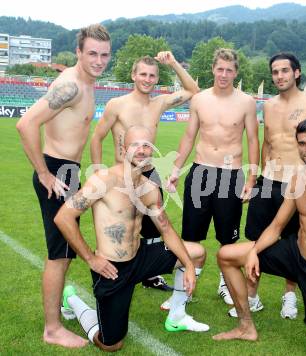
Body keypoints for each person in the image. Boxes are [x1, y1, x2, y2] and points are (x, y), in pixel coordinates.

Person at [54, 126, 209, 352]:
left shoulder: (149, 188)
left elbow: (165, 228)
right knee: (111, 344)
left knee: (196, 253)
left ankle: (176, 315)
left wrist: (187, 264)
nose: (142, 150)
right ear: (123, 148)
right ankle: (72, 302)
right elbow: (64, 217)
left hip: (140, 256)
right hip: (112, 268)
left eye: (146, 145)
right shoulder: (103, 180)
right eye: (135, 145)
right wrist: (91, 259)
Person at [213, 119, 306, 356]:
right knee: (226, 255)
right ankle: (246, 326)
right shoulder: (298, 178)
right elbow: (277, 226)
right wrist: (253, 252)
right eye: (302, 144)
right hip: (294, 252)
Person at [16, 24, 111, 348]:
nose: (99, 60)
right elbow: (26, 123)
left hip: (68, 172)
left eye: (104, 54)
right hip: (56, 172)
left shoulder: (88, 82)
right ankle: (52, 329)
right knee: (59, 254)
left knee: (66, 251)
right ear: (80, 53)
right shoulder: (70, 86)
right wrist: (43, 173)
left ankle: (56, 313)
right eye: (92, 54)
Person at [228, 52, 306, 319]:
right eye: (275, 71)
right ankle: (252, 297)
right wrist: (259, 177)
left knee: (295, 242)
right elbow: (268, 144)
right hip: (268, 182)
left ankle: (289, 297)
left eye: (285, 70)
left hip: (298, 186)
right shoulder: (268, 105)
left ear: (296, 72)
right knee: (256, 241)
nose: (279, 76)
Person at [90, 51, 199, 292]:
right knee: (125, 226)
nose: (147, 79)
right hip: (123, 175)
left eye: (152, 75)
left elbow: (193, 92)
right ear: (133, 75)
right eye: (143, 74)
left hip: (149, 173)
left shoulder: (158, 103)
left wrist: (173, 64)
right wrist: (97, 172)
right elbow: (96, 138)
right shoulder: (117, 104)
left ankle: (149, 275)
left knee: (154, 228)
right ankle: (121, 272)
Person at [166, 48, 259, 306]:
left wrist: (251, 179)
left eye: (229, 70)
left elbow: (253, 140)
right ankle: (183, 288)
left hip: (230, 176)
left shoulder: (247, 102)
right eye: (220, 69)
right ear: (213, 69)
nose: (224, 74)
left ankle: (224, 283)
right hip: (200, 172)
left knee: (228, 238)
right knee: (190, 236)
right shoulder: (199, 100)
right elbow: (188, 136)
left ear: (236, 72)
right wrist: (175, 169)